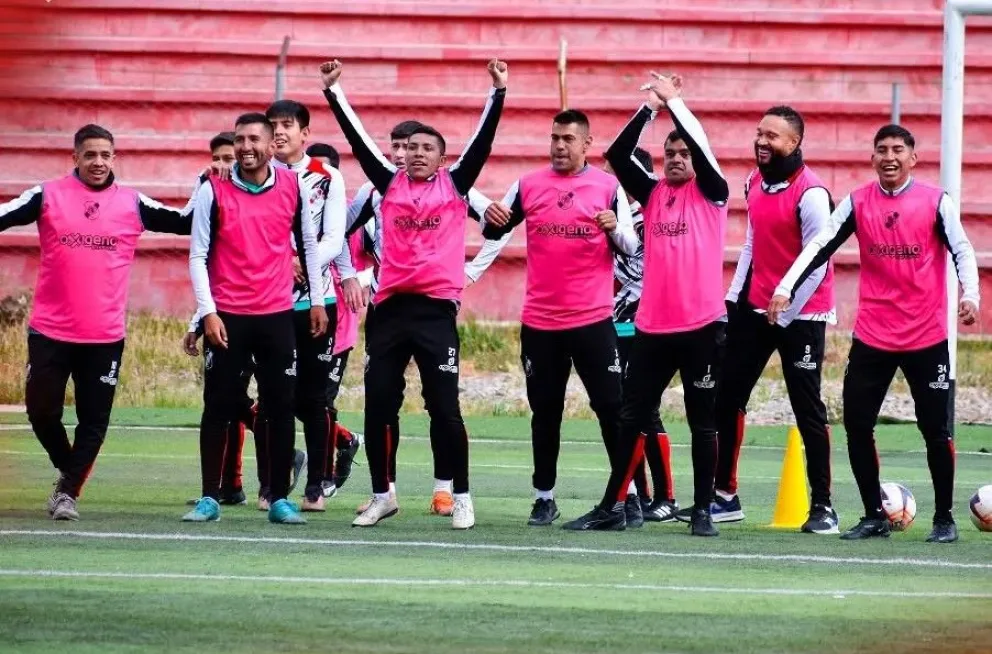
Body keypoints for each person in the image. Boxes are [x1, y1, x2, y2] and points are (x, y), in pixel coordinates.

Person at [769, 124, 981, 544]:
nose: (889, 157)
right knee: (857, 424)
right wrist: (784, 287)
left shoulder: (936, 201)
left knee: (936, 429)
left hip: (926, 336)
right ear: (872, 158)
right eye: (881, 149)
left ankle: (943, 518)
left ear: (913, 158)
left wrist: (971, 295)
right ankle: (872, 516)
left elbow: (962, 249)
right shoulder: (857, 201)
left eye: (898, 150)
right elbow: (819, 245)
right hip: (872, 335)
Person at [321, 57, 507, 529]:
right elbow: (359, 143)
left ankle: (460, 496)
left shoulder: (455, 186)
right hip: (388, 310)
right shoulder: (387, 185)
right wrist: (334, 93)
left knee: (444, 406)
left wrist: (497, 93)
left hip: (434, 314)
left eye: (428, 148)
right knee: (380, 403)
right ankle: (383, 495)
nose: (417, 153)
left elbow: (483, 143)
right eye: (412, 148)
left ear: (442, 158)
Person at [563, 73, 729, 536]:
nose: (676, 159)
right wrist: (649, 110)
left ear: (697, 159)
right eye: (669, 154)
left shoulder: (712, 194)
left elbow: (701, 144)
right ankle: (612, 507)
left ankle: (700, 511)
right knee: (631, 417)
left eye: (684, 154)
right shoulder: (654, 194)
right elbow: (616, 155)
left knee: (701, 421)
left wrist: (676, 103)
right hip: (653, 327)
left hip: (701, 327)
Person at [0, 124, 194, 521]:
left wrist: (212, 183)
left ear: (114, 158)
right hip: (50, 331)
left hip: (104, 336)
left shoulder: (133, 203)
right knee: (41, 412)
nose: (98, 162)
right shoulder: (48, 195)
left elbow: (187, 222)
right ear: (75, 158)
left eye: (106, 155)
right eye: (90, 155)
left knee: (94, 421)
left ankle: (67, 492)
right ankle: (68, 468)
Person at [480, 109, 639, 527]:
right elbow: (496, 230)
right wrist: (490, 219)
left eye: (569, 139)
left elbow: (631, 244)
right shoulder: (528, 185)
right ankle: (544, 497)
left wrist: (613, 229)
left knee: (611, 408)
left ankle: (628, 496)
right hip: (541, 322)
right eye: (555, 138)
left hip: (592, 320)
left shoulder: (608, 188)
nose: (560, 146)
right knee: (545, 413)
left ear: (587, 144)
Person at [184, 112, 329, 525]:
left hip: (277, 315)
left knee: (280, 408)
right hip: (227, 316)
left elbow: (307, 245)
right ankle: (209, 497)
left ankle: (279, 498)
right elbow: (198, 255)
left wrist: (316, 300)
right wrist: (207, 313)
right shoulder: (213, 190)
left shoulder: (292, 186)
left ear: (270, 146)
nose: (246, 147)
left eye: (254, 139)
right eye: (239, 139)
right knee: (219, 406)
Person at [706, 106, 838, 534]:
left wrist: (787, 306)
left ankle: (823, 506)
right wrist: (733, 299)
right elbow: (752, 243)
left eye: (773, 137)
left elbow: (817, 261)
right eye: (759, 133)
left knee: (807, 407)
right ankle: (725, 496)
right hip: (757, 306)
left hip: (803, 312)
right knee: (726, 396)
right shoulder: (753, 182)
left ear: (794, 143)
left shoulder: (813, 194)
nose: (762, 142)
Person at [603, 148, 679, 523]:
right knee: (622, 410)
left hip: (642, 322)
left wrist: (611, 229)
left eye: (614, 174)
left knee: (643, 408)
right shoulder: (607, 213)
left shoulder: (647, 215)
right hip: (608, 321)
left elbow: (636, 255)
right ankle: (640, 494)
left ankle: (667, 495)